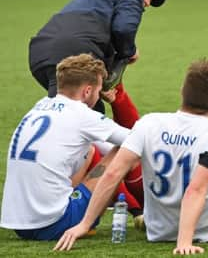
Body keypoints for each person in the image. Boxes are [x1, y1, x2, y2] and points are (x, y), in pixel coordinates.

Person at [53, 59, 208, 252]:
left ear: (182, 91)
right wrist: (184, 242)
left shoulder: (149, 123)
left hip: (157, 231)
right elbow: (196, 189)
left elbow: (112, 174)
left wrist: (84, 224)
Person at [0, 54, 130, 240]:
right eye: (98, 90)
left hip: (19, 225)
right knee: (123, 151)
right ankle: (145, 211)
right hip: (54, 223)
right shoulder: (83, 115)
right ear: (87, 91)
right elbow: (135, 141)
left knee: (91, 148)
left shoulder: (40, 105)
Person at [28, 0, 166, 113]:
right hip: (73, 52)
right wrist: (129, 52)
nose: (147, 2)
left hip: (40, 54)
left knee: (64, 114)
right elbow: (123, 29)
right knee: (87, 118)